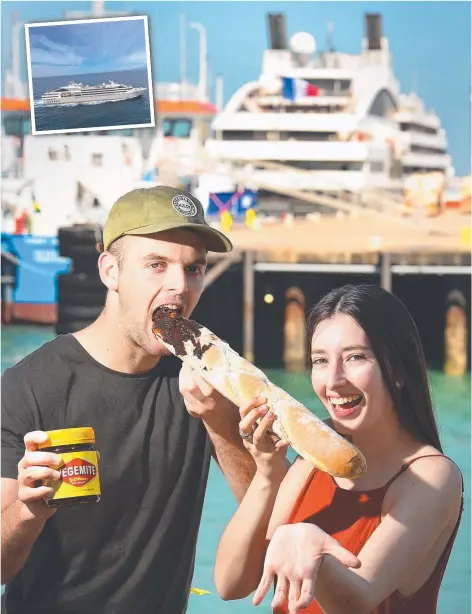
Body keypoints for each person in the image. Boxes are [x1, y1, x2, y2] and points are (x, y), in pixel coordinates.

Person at [1, 186, 257, 614]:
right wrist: (28, 511)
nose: (179, 285)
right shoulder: (29, 385)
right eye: (156, 265)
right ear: (109, 272)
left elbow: (276, 507)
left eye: (194, 268)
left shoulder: (207, 379)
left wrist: (220, 423)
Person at [214, 284, 464, 614]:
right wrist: (267, 472)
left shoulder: (432, 476)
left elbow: (358, 600)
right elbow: (231, 584)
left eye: (355, 357)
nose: (333, 380)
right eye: (320, 360)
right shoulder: (313, 458)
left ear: (399, 369)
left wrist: (313, 546)